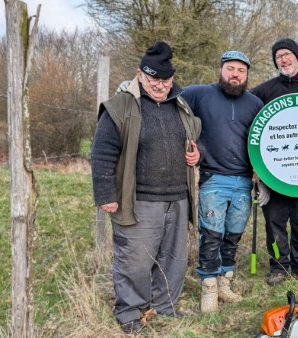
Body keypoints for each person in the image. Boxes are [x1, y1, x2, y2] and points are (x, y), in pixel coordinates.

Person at [91, 41, 201, 334]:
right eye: (154, 79)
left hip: (178, 198)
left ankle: (165, 307)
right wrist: (105, 195)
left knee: (173, 259)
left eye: (166, 80)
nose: (161, 86)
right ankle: (129, 312)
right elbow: (102, 152)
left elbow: (194, 134)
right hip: (139, 199)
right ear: (140, 74)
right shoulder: (120, 106)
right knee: (136, 260)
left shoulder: (180, 104)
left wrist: (195, 152)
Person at [181, 51, 264, 312]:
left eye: (241, 70)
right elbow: (173, 108)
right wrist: (193, 147)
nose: (235, 74)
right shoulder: (199, 94)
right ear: (221, 70)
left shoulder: (255, 104)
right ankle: (208, 289)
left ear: (247, 74)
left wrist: (263, 170)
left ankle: (224, 282)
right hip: (213, 178)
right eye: (230, 68)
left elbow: (265, 140)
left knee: (233, 236)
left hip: (243, 182)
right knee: (212, 235)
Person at [250, 38, 298, 286]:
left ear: (297, 57)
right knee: (275, 222)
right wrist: (254, 166)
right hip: (273, 174)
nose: (283, 59)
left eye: (287, 54)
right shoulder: (262, 92)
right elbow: (250, 129)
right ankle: (279, 266)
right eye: (278, 55)